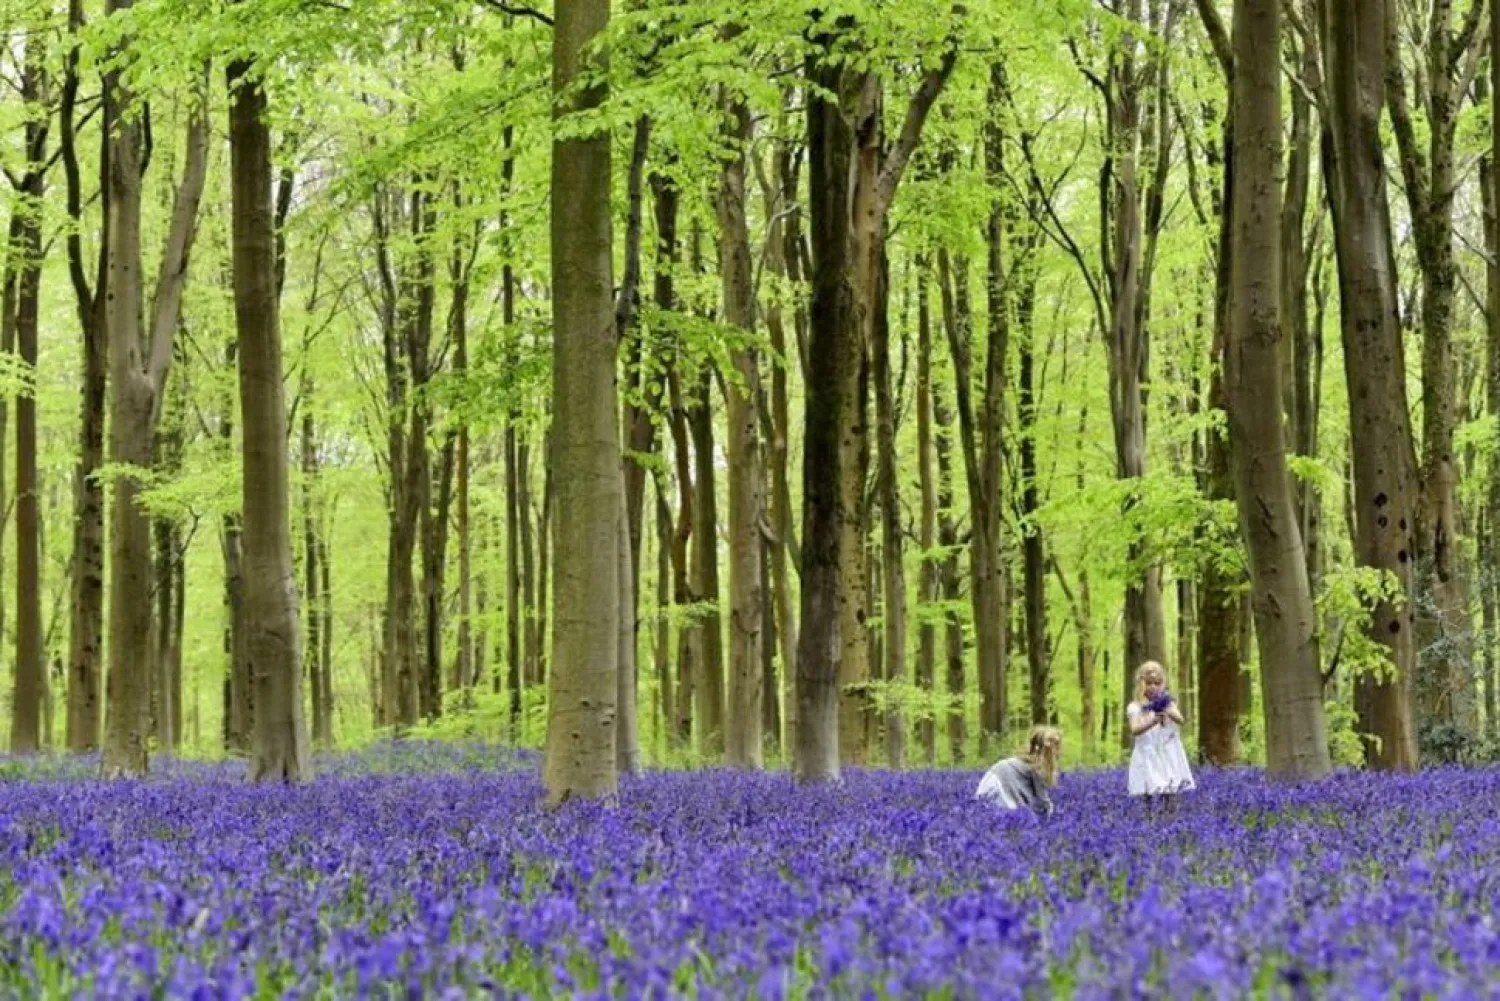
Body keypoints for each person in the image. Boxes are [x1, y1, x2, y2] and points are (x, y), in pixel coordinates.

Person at [1126, 660, 1195, 798]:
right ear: (1141, 684)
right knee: (1147, 790)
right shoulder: (1136, 707)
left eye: (1157, 683)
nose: (1153, 687)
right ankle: (1149, 817)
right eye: (1149, 683)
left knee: (1171, 789)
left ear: (1163, 684)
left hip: (1168, 753)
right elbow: (1135, 730)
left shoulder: (1169, 704)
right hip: (1148, 755)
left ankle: (1169, 817)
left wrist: (1168, 711)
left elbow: (1180, 720)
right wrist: (1153, 721)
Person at [975, 725, 1063, 817]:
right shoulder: (1038, 765)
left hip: (990, 782)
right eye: (1057, 746)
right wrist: (1050, 813)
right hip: (1001, 786)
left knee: (993, 815)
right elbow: (1041, 798)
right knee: (1016, 819)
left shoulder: (1027, 759)